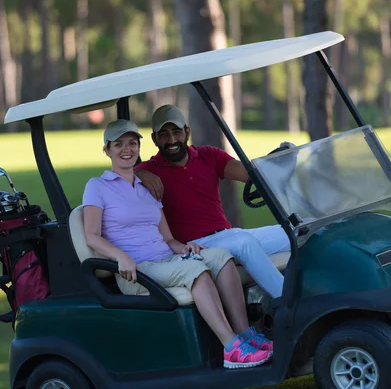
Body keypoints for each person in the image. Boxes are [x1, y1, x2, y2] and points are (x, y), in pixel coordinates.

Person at [82, 119, 273, 369]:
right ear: (107, 150)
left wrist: (184, 248)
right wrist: (120, 257)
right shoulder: (97, 187)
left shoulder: (148, 187)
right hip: (137, 271)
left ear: (139, 147)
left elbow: (168, 238)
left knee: (220, 257)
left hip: (166, 260)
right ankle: (231, 348)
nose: (126, 149)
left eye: (131, 143)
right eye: (118, 144)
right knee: (196, 271)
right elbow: (92, 235)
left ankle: (245, 333)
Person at [134, 104, 290, 299]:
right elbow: (124, 181)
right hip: (195, 246)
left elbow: (248, 175)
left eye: (176, 132)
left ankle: (321, 289)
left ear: (187, 132)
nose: (172, 139)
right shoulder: (148, 170)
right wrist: (139, 173)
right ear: (154, 139)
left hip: (227, 235)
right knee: (244, 243)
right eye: (164, 134)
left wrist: (280, 162)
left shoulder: (208, 155)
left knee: (294, 231)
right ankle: (289, 301)